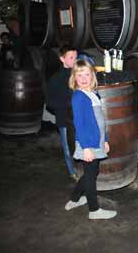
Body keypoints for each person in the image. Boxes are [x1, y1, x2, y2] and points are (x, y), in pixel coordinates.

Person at [64, 59, 117, 219]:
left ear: (92, 76)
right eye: (80, 75)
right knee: (90, 176)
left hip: (97, 141)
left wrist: (105, 140)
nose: (84, 78)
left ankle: (74, 199)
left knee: (90, 174)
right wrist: (86, 148)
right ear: (74, 78)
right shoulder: (79, 97)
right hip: (87, 142)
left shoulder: (93, 93)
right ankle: (94, 210)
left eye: (87, 74)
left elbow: (101, 120)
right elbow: (79, 124)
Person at [46, 45, 78, 181]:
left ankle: (82, 170)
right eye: (71, 58)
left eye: (76, 57)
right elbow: (49, 103)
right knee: (67, 147)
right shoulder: (56, 79)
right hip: (64, 118)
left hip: (78, 118)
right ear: (62, 59)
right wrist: (67, 105)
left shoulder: (79, 74)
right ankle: (72, 172)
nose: (74, 61)